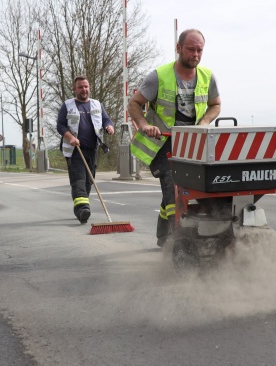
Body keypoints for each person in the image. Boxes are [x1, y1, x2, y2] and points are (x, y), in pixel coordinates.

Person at [128, 29, 221, 247]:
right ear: (178, 48)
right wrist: (144, 125)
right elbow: (134, 104)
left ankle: (162, 237)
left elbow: (215, 105)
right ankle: (178, 241)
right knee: (173, 186)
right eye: (191, 49)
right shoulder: (158, 76)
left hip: (192, 142)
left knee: (186, 187)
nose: (195, 54)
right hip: (163, 142)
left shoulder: (208, 77)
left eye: (199, 50)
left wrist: (205, 122)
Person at [57, 76, 115, 224]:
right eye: (80, 87)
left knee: (89, 181)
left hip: (92, 149)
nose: (84, 89)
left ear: (89, 88)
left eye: (86, 86)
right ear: (75, 89)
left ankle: (82, 207)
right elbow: (60, 125)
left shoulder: (96, 104)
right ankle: (83, 209)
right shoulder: (67, 105)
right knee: (79, 180)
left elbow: (106, 119)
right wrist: (70, 137)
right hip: (75, 150)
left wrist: (109, 127)